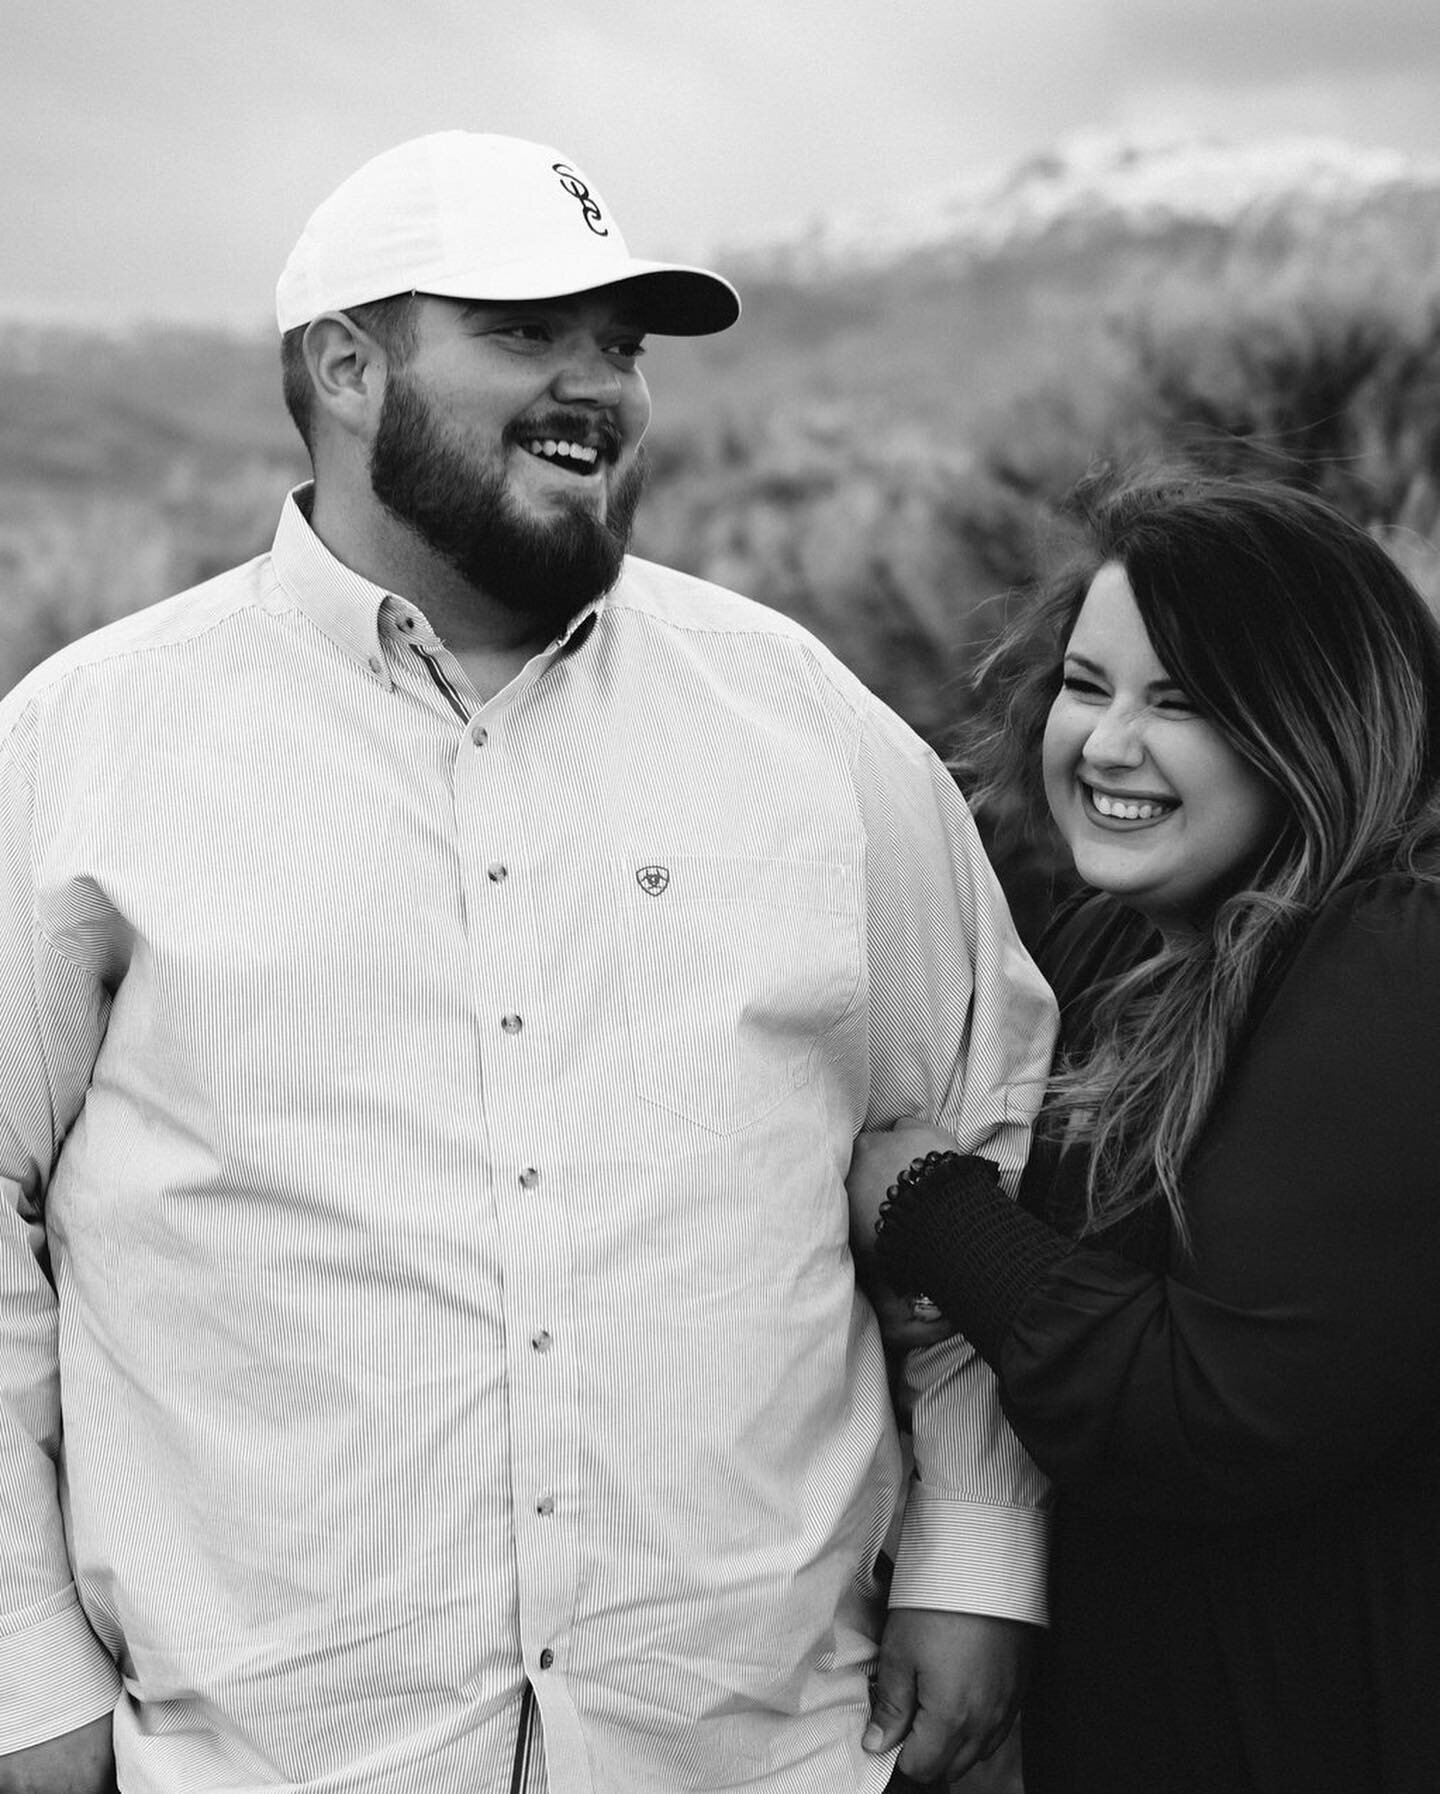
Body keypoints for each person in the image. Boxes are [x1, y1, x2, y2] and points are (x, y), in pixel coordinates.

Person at [0, 133, 1058, 1794]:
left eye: (622, 345)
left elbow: (972, 1125)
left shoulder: (805, 724)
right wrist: (21, 1673)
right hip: (275, 1755)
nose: (599, 387)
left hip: (766, 1746)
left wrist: (976, 1543)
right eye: (525, 331)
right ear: (347, 367)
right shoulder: (82, 752)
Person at [848, 469, 1440, 1793]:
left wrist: (930, 1205)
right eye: (1086, 683)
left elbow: (1216, 1407)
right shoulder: (1122, 940)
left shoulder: (1396, 954)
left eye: (1179, 700)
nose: (1108, 743)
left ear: (1315, 722)